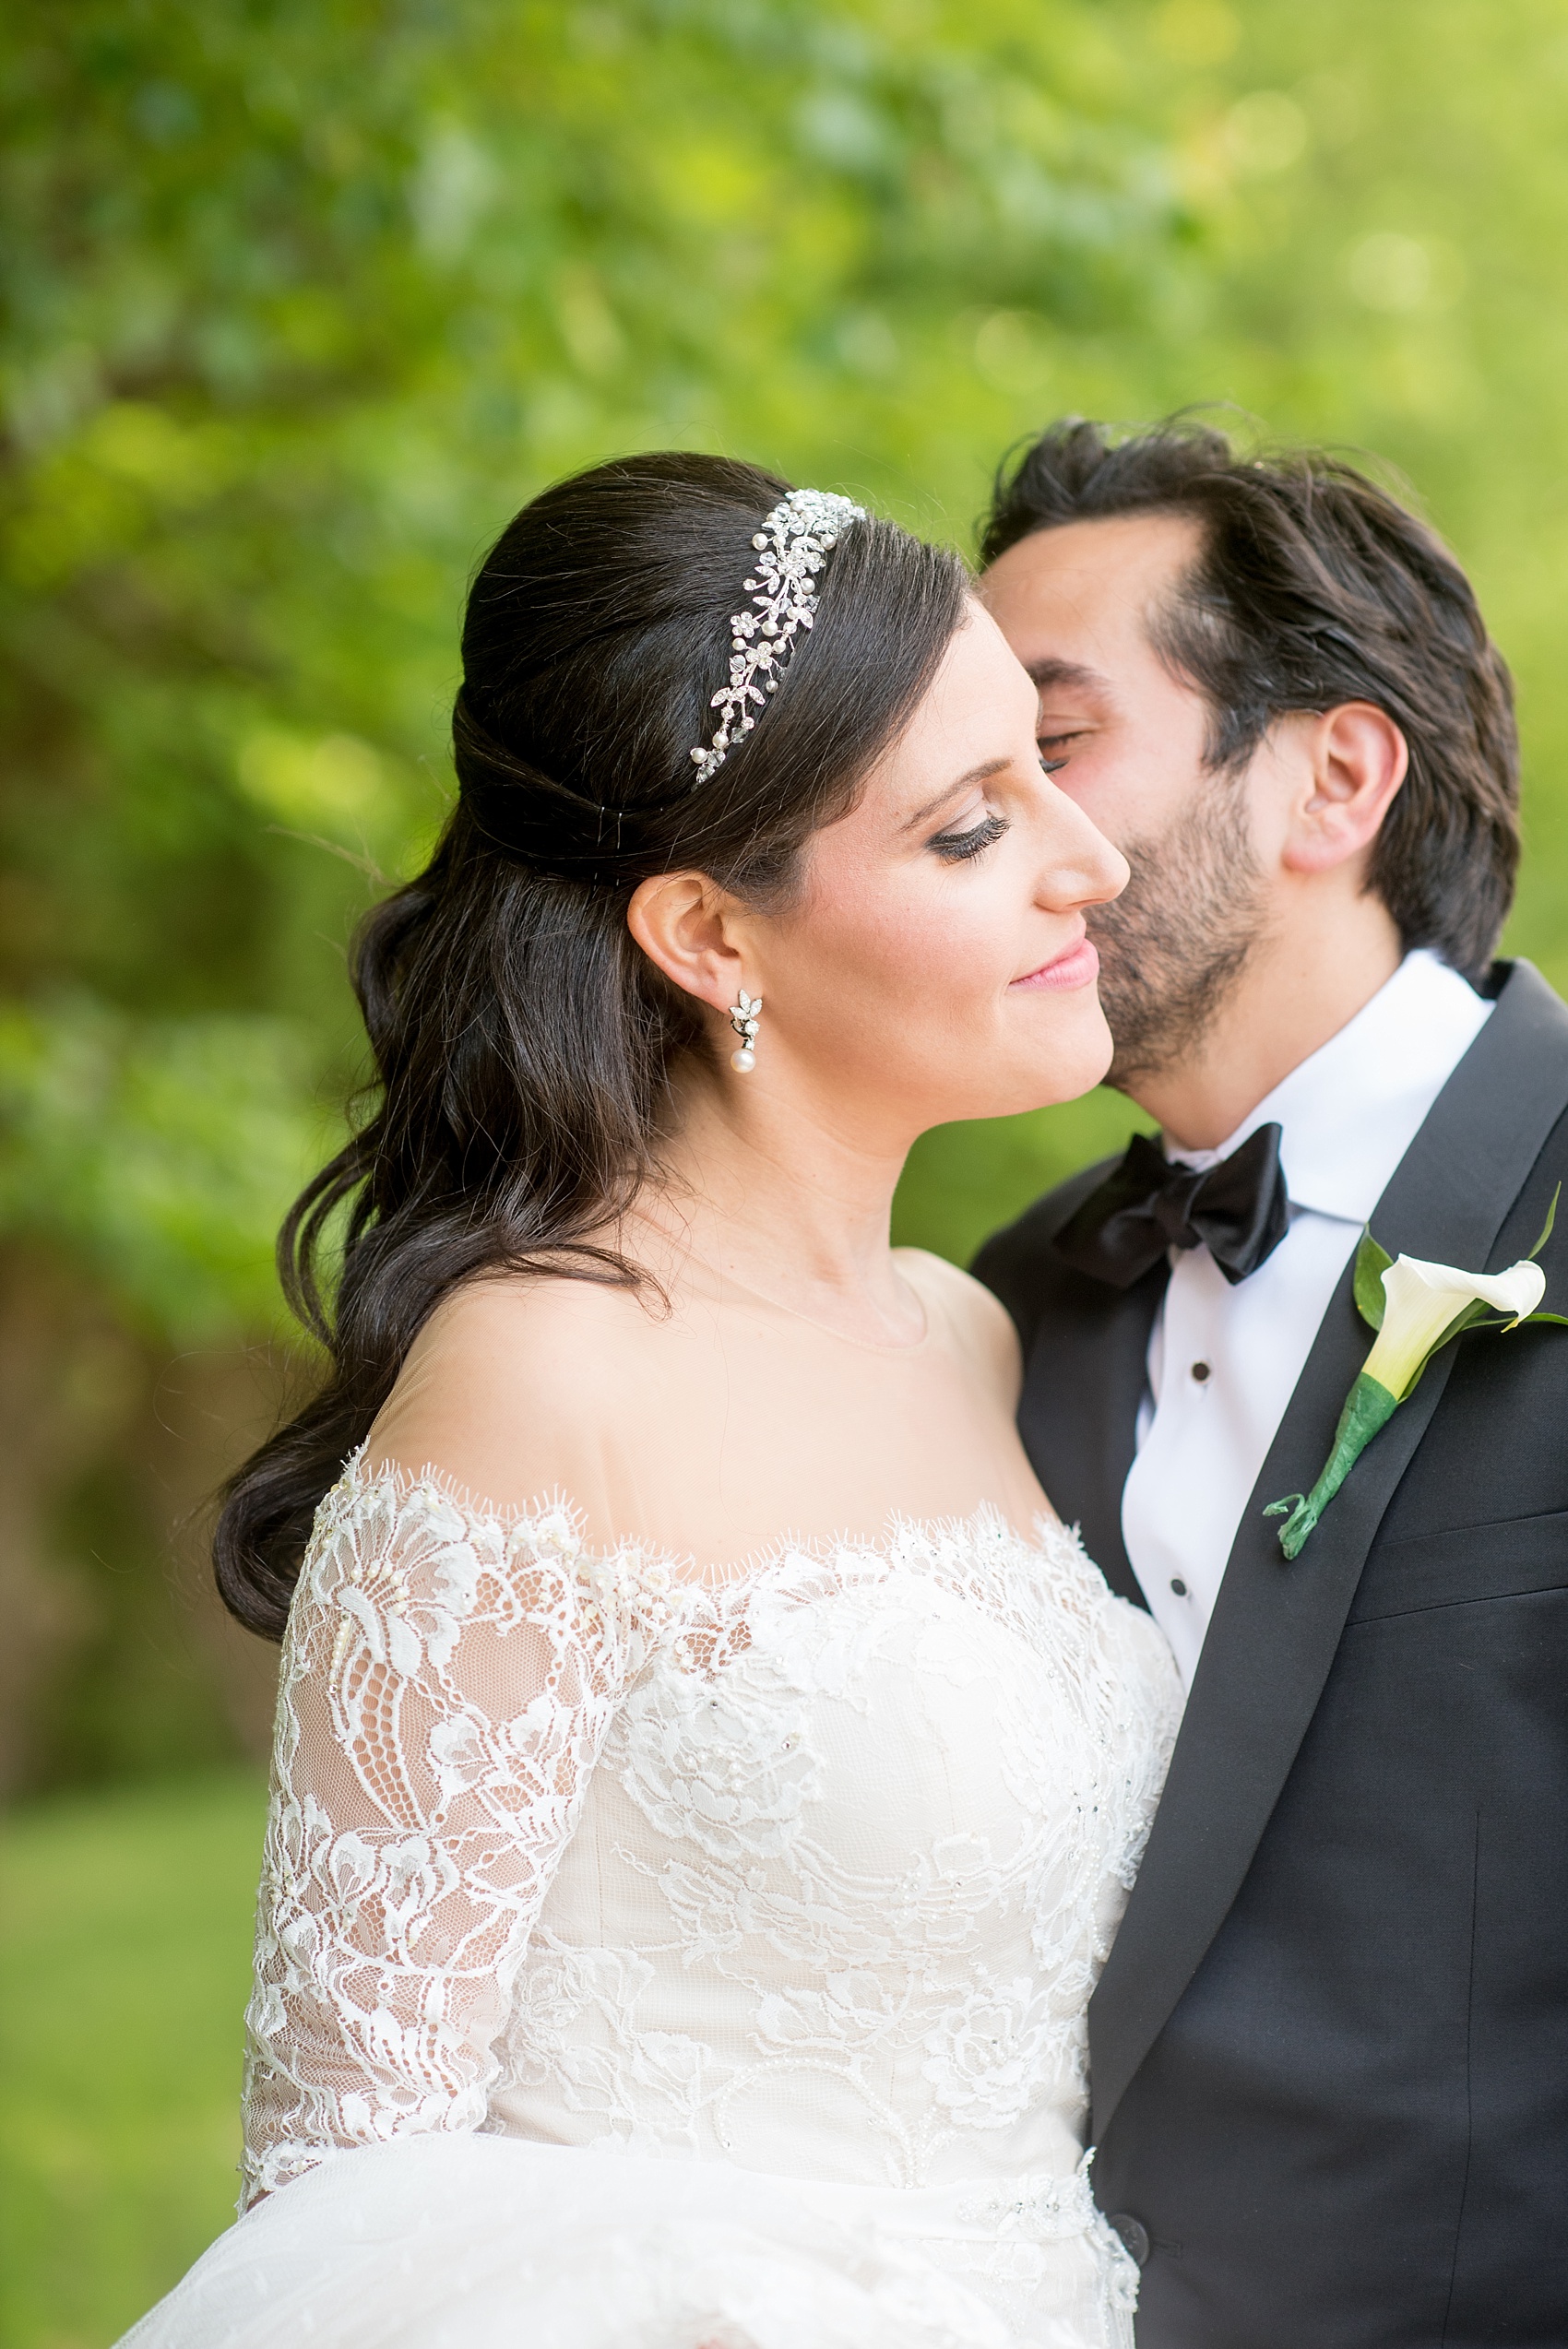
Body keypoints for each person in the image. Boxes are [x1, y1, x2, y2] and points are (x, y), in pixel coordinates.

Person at [120, 454, 1181, 2349]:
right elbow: (349, 2193)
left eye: (1045, 767)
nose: (1083, 862)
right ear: (706, 934)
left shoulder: (970, 1334)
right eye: (967, 828)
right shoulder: (541, 1375)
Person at [973, 418, 1568, 2348]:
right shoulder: (997, 1310)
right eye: (957, 778)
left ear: (1330, 777)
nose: (1000, 837)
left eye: (1052, 747)